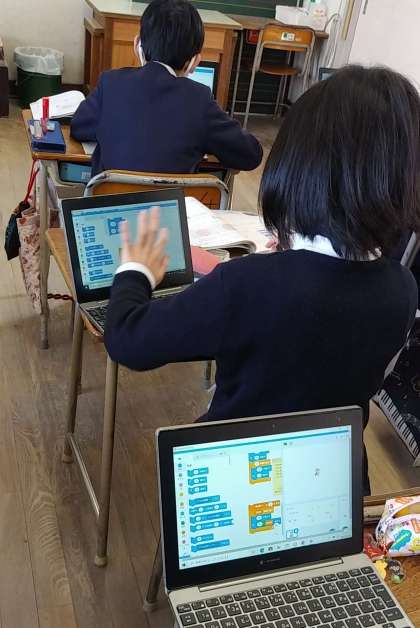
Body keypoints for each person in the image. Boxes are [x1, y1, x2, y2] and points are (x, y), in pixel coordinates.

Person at [104, 66, 420, 493]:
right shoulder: (402, 289)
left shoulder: (246, 284)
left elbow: (128, 339)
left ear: (298, 166)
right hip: (335, 483)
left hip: (242, 482)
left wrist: (135, 269)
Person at [71, 0, 262, 177]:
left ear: (137, 44)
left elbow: (78, 127)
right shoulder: (199, 99)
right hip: (171, 203)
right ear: (195, 62)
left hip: (107, 202)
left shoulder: (111, 82)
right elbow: (251, 155)